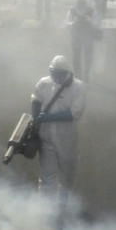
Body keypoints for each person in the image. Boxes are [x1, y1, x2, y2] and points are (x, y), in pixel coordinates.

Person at [31, 55, 87, 204]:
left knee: (67, 173)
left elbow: (75, 113)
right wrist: (36, 117)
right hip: (46, 136)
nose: (57, 77)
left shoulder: (78, 87)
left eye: (60, 74)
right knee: (47, 175)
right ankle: (45, 208)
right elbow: (35, 98)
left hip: (66, 138)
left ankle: (64, 204)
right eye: (54, 74)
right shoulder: (44, 83)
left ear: (67, 73)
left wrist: (49, 118)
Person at [66, 0, 100, 82]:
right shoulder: (71, 11)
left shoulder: (92, 12)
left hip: (88, 36)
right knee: (76, 56)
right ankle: (78, 75)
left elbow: (96, 24)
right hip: (76, 36)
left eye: (82, 8)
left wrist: (90, 21)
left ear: (86, 7)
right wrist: (73, 23)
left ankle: (86, 72)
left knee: (88, 56)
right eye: (79, 8)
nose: (80, 11)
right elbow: (67, 25)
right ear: (76, 6)